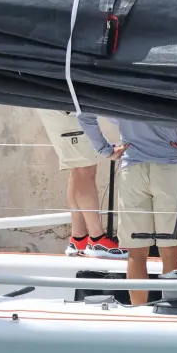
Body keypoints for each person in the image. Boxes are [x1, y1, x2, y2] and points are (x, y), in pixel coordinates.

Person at [79, 114, 177, 306]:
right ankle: (172, 312)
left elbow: (84, 115)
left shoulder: (121, 95)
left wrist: (105, 150)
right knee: (170, 249)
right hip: (168, 169)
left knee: (136, 252)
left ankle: (138, 313)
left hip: (133, 171)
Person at [37, 109, 123, 258]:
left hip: (61, 106)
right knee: (84, 169)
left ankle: (79, 239)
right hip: (66, 107)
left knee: (78, 169)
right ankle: (97, 240)